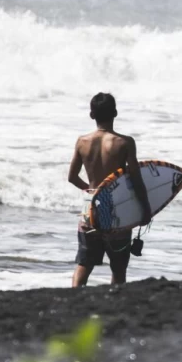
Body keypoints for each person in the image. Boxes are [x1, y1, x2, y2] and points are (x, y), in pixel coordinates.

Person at [67, 93, 152, 287]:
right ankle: (116, 301)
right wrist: (145, 209)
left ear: (91, 115)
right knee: (118, 267)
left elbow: (72, 177)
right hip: (117, 211)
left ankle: (74, 298)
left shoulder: (82, 141)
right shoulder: (125, 142)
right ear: (115, 112)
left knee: (84, 264)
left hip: (90, 211)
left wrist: (92, 191)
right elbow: (136, 179)